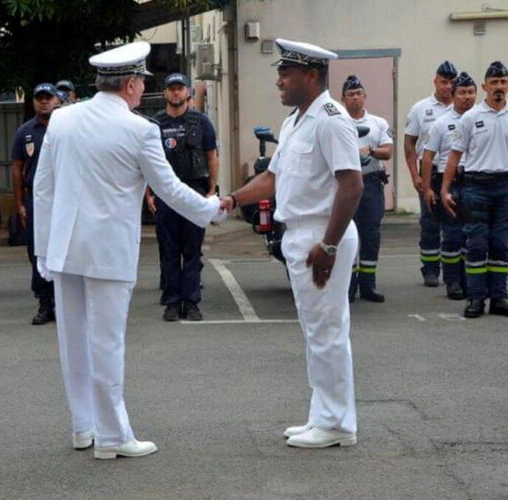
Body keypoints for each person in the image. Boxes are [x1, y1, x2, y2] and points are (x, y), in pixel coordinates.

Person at [34, 42, 228, 459]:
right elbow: (169, 189)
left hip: (65, 247)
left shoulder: (62, 119)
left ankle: (83, 426)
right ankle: (112, 436)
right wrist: (211, 210)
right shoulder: (140, 129)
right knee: (106, 342)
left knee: (74, 341)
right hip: (107, 251)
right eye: (141, 82)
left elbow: (43, 187)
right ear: (129, 84)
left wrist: (42, 250)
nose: (142, 90)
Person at [224, 39, 363, 448]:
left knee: (329, 331)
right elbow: (273, 178)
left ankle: (338, 424)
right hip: (301, 234)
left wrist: (331, 245)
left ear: (312, 76)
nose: (279, 81)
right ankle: (323, 414)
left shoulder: (331, 119)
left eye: (286, 73)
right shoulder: (295, 121)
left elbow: (352, 185)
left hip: (324, 234)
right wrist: (233, 199)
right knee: (315, 331)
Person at [145, 72, 218, 321]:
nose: (176, 93)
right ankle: (172, 303)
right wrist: (148, 194)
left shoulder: (201, 122)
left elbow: (211, 156)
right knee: (169, 250)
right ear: (164, 93)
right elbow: (144, 164)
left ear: (188, 92)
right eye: (171, 89)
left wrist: (211, 190)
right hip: (165, 194)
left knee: (192, 250)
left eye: (180, 88)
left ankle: (191, 301)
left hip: (194, 191)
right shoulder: (154, 124)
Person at [441, 62, 508, 318]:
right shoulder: (471, 118)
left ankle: (500, 298)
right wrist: (445, 190)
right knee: (477, 244)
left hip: (505, 187)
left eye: (503, 82)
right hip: (477, 186)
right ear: (485, 87)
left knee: (501, 245)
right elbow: (454, 157)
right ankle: (476, 298)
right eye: (494, 83)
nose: (499, 87)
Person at [422, 72, 477, 301]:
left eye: (471, 92)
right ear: (453, 95)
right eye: (462, 92)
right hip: (449, 180)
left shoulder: (481, 118)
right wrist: (427, 188)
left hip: (475, 181)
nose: (467, 97)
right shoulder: (441, 123)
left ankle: (468, 280)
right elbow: (427, 157)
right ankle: (452, 280)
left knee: (472, 236)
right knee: (453, 235)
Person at [340, 75, 394, 303]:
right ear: (343, 99)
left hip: (371, 183)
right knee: (346, 234)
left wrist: (369, 151)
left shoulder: (377, 123)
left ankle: (368, 286)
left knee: (370, 235)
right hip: (346, 185)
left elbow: (388, 151)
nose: (355, 98)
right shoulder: (338, 121)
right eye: (350, 95)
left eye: (358, 93)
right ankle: (348, 286)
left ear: (365, 96)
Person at [405, 61, 457, 287]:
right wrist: (415, 177)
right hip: (430, 172)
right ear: (435, 82)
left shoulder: (463, 107)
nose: (448, 87)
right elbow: (409, 144)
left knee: (455, 224)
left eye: (451, 82)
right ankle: (430, 269)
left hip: (456, 174)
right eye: (443, 82)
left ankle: (453, 270)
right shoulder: (420, 108)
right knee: (430, 222)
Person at [12, 83, 59, 325]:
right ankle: (43, 302)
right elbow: (18, 169)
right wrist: (19, 202)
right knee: (37, 250)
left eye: (48, 98)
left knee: (62, 249)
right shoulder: (25, 132)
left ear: (57, 100)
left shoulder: (65, 128)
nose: (44, 102)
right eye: (39, 98)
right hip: (35, 199)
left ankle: (62, 302)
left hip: (62, 197)